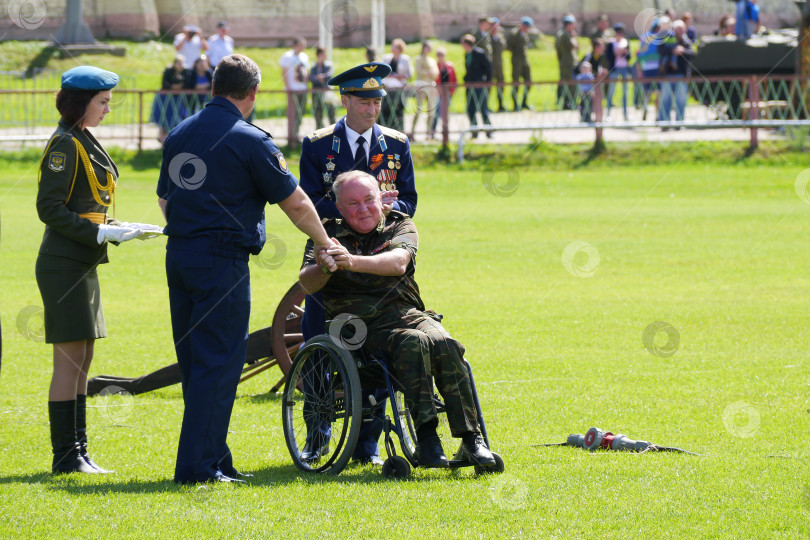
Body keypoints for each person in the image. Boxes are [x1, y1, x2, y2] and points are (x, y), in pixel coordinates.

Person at [157, 54, 332, 484]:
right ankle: (199, 468)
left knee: (198, 362)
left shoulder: (180, 132)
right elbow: (294, 202)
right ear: (253, 92)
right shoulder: (251, 140)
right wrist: (326, 242)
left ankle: (213, 457)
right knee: (221, 362)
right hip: (221, 261)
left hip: (180, 254)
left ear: (214, 86)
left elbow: (165, 198)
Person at [298, 170, 496, 469]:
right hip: (359, 329)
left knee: (445, 342)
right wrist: (324, 268)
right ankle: (428, 438)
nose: (363, 208)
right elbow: (306, 284)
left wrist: (350, 261)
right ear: (338, 208)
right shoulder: (325, 234)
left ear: (381, 198)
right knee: (412, 342)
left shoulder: (399, 223)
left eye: (369, 199)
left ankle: (471, 439)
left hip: (407, 313)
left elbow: (398, 263)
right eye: (352, 203)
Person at [36, 66, 161, 474]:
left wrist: (117, 227)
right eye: (102, 102)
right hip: (63, 264)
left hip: (80, 263)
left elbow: (88, 202)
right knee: (69, 361)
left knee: (84, 356)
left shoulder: (82, 139)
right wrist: (99, 233)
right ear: (80, 103)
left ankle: (79, 452)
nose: (107, 109)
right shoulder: (65, 144)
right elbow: (49, 209)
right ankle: (66, 457)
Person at [299, 61, 418, 466]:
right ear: (345, 100)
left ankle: (367, 444)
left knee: (377, 349)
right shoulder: (317, 145)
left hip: (380, 255)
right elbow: (308, 200)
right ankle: (317, 434)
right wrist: (353, 208)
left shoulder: (397, 144)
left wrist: (388, 206)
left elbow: (410, 200)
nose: (372, 109)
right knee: (318, 340)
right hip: (331, 252)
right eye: (364, 102)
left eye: (377, 101)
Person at [657, 19, 695, 125]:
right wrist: (672, 50)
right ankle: (664, 123)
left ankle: (679, 123)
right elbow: (660, 50)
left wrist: (683, 50)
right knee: (665, 100)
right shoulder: (667, 39)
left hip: (681, 75)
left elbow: (693, 54)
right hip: (667, 75)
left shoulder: (686, 41)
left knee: (681, 100)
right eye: (677, 30)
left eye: (681, 30)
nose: (679, 32)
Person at [150, 54, 190, 143]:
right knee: (163, 116)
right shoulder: (168, 71)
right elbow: (164, 83)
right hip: (165, 97)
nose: (181, 65)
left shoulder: (186, 71)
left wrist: (179, 87)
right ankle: (162, 137)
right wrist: (174, 86)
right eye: (179, 63)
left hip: (178, 99)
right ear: (175, 63)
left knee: (174, 118)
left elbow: (187, 83)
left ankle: (169, 138)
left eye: (182, 63)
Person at [461, 34, 492, 139]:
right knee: (470, 109)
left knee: (483, 108)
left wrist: (486, 82)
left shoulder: (480, 53)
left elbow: (488, 69)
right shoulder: (466, 54)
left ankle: (488, 131)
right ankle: (474, 131)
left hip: (479, 85)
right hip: (470, 86)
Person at [280, 37, 310, 141]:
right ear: (296, 45)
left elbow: (306, 72)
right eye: (302, 45)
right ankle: (291, 136)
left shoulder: (304, 57)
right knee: (293, 112)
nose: (304, 47)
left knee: (301, 111)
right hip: (293, 89)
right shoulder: (287, 56)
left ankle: (296, 133)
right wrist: (288, 87)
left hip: (303, 88)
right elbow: (284, 73)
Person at [380, 39, 413, 132]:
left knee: (398, 109)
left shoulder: (405, 59)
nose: (393, 49)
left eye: (395, 47)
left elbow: (409, 74)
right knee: (386, 109)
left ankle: (399, 129)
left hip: (399, 87)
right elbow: (383, 72)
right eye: (393, 46)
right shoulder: (386, 58)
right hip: (387, 86)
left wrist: (398, 76)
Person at [412, 41, 439, 141]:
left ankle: (428, 133)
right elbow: (419, 70)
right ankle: (412, 132)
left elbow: (436, 72)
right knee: (418, 110)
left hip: (430, 87)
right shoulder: (418, 59)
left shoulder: (432, 60)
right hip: (421, 86)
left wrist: (429, 72)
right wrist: (428, 72)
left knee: (431, 111)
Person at [606, 23, 632, 121]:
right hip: (615, 69)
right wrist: (615, 53)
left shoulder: (625, 42)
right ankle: (608, 114)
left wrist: (625, 53)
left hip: (624, 68)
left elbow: (629, 58)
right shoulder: (610, 43)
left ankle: (625, 113)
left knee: (625, 92)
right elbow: (608, 57)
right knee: (611, 91)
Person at [507, 16, 534, 111]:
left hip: (524, 60)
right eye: (525, 26)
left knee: (528, 82)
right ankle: (515, 104)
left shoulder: (525, 34)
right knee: (516, 83)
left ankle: (524, 102)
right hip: (516, 60)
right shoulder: (515, 33)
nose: (526, 28)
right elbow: (509, 46)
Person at [431, 47, 457, 138]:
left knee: (446, 113)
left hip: (447, 93)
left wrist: (452, 91)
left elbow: (454, 80)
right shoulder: (435, 66)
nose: (440, 57)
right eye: (438, 55)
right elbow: (434, 79)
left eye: (441, 55)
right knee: (437, 112)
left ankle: (445, 132)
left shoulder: (449, 66)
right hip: (439, 93)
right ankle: (433, 132)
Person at [555, 14, 578, 110]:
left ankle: (567, 103)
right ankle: (569, 104)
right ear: (568, 25)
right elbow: (574, 46)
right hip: (568, 63)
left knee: (569, 84)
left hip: (566, 62)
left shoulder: (562, 34)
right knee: (571, 84)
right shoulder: (565, 35)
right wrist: (574, 37)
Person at [309, 46, 336, 130]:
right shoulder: (314, 67)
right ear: (318, 55)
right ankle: (320, 132)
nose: (324, 56)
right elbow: (311, 78)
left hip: (327, 92)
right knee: (318, 114)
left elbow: (330, 75)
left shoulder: (328, 65)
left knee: (331, 113)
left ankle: (334, 131)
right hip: (316, 92)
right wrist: (320, 79)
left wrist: (321, 77)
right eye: (323, 54)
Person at [489, 17, 507, 112]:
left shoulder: (500, 37)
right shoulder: (487, 37)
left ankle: (500, 104)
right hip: (490, 65)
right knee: (489, 85)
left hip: (499, 64)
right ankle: (486, 105)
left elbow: (504, 47)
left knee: (501, 84)